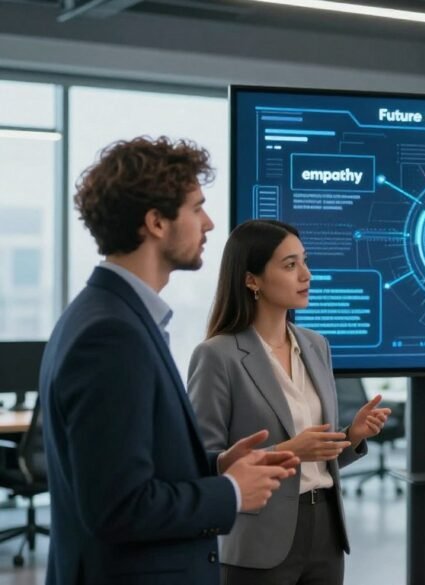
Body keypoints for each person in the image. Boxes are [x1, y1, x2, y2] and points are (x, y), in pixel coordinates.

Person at [39, 136, 300, 585]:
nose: (210, 223)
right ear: (156, 222)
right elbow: (117, 508)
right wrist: (232, 491)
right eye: (197, 208)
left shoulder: (111, 315)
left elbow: (127, 468)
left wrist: (213, 467)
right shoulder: (111, 334)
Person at [188, 219, 391, 585]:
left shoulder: (316, 346)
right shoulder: (217, 356)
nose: (306, 275)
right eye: (290, 265)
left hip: (326, 532)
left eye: (305, 261)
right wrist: (288, 451)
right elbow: (204, 464)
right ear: (252, 280)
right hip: (258, 539)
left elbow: (319, 460)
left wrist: (353, 435)